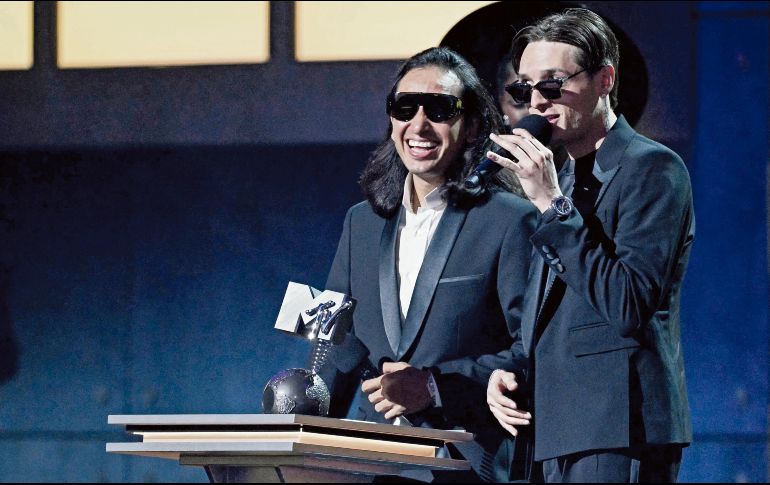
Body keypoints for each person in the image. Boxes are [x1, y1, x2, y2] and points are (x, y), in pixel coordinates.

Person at [485, 8, 694, 483]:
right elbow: (554, 312)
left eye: (554, 85)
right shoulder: (560, 180)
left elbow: (628, 304)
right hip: (550, 430)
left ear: (605, 79)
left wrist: (554, 207)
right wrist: (512, 369)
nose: (537, 101)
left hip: (618, 427)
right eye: (524, 89)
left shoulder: (652, 169)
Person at [320, 46, 537, 481]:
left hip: (467, 464)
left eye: (439, 110)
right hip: (370, 465)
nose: (418, 125)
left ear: (473, 126)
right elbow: (332, 349)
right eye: (405, 108)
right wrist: (293, 430)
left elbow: (530, 353)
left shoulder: (510, 219)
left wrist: (435, 386)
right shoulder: (360, 223)